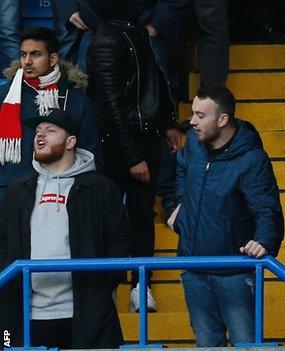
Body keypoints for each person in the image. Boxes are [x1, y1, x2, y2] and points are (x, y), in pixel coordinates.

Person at [0, 108, 132, 349]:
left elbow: (119, 240)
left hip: (87, 313)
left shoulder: (101, 188)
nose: (40, 136)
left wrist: (103, 285)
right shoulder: (16, 190)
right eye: (38, 131)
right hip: (26, 315)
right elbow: (2, 242)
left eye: (50, 131)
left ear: (71, 141)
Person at [168, 85, 284, 347]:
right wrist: (177, 205)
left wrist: (264, 240)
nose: (192, 122)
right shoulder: (195, 146)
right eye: (192, 114)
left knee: (246, 343)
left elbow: (267, 209)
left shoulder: (252, 159)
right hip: (193, 265)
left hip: (234, 269)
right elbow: (181, 169)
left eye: (200, 115)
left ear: (223, 120)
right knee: (207, 342)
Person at [86, 0, 182, 312]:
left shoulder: (135, 33)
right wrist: (131, 157)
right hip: (119, 146)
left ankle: (141, 285)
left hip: (145, 138)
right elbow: (110, 106)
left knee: (142, 216)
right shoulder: (105, 41)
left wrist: (167, 123)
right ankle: (111, 286)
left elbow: (155, 83)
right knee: (113, 218)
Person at [0, 27, 100, 200]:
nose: (27, 61)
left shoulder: (74, 98)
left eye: (36, 54)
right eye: (23, 54)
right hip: (8, 190)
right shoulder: (5, 95)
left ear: (53, 58)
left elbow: (89, 152)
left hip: (58, 193)